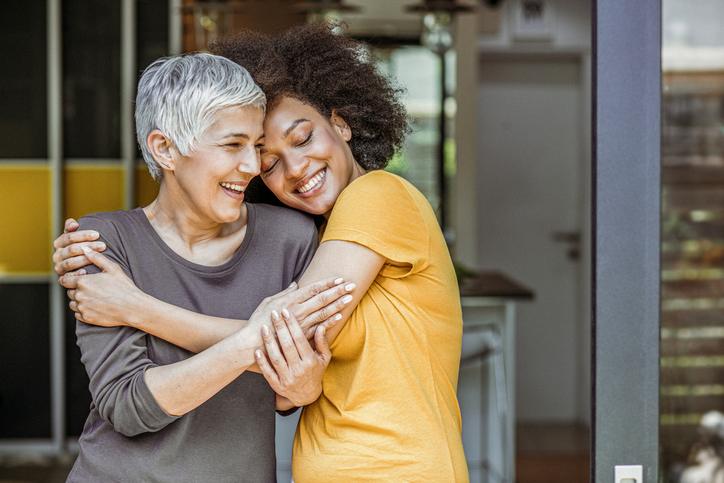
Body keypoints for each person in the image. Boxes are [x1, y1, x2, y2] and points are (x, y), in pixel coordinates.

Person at [54, 23, 469, 482]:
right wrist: (294, 379)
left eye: (303, 137)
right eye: (261, 156)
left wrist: (136, 308)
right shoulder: (313, 235)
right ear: (165, 150)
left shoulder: (371, 198)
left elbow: (285, 344)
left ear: (342, 123)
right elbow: (279, 370)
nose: (273, 168)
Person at [58, 52, 354, 482]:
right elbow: (128, 407)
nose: (253, 167)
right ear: (165, 149)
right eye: (233, 145)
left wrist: (299, 386)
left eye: (255, 147)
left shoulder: (291, 238)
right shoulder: (102, 243)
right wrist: (253, 341)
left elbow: (295, 387)